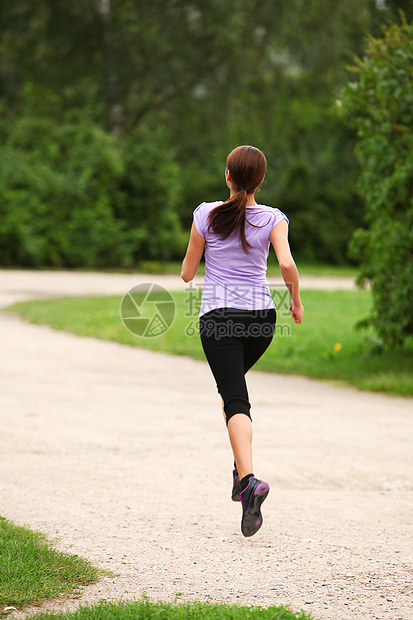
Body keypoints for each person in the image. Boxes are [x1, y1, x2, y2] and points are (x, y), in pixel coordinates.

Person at [181, 145, 304, 537]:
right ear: (261, 180)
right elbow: (285, 263)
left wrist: (198, 261)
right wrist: (296, 302)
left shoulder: (205, 214)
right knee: (232, 394)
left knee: (234, 398)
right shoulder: (273, 218)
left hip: (218, 320)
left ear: (227, 176)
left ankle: (249, 480)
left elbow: (187, 273)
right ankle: (240, 470)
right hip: (261, 321)